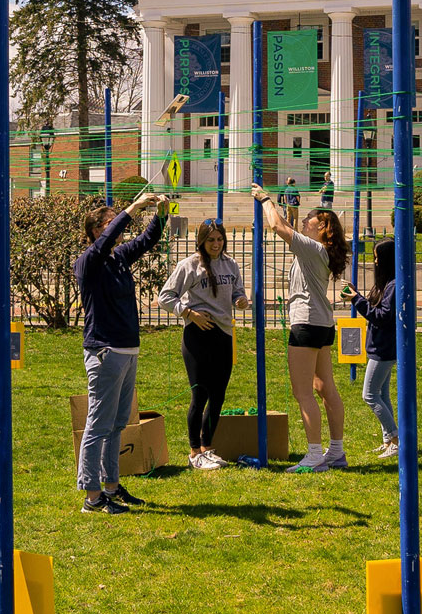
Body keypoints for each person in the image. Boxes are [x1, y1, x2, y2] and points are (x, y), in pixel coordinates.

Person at [73, 190, 166, 513]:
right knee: (98, 425)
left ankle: (111, 486)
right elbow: (112, 236)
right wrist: (134, 207)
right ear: (97, 230)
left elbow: (146, 240)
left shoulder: (118, 257)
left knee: (116, 425)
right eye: (111, 225)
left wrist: (162, 213)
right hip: (105, 351)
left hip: (127, 350)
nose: (119, 230)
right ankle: (92, 497)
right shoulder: (90, 261)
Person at [253, 184, 349, 470]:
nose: (305, 220)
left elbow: (277, 227)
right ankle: (336, 451)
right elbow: (284, 224)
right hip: (322, 323)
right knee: (324, 386)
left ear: (323, 228)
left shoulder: (312, 248)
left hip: (306, 323)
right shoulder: (320, 249)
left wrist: (265, 200)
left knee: (303, 391)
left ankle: (314, 454)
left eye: (311, 219)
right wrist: (274, 205)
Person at [158, 219, 248, 469]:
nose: (216, 244)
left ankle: (208, 448)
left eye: (220, 239)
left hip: (223, 334)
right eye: (211, 240)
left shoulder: (231, 264)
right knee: (200, 395)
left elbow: (238, 291)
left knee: (218, 396)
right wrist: (189, 314)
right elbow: (165, 296)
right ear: (201, 241)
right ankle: (194, 452)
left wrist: (241, 300)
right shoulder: (189, 265)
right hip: (197, 337)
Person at [343, 237, 398, 457]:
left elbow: (382, 317)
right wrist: (358, 296)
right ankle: (389, 441)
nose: (374, 262)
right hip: (380, 346)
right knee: (382, 395)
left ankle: (395, 437)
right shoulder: (386, 284)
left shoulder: (394, 285)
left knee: (369, 395)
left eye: (377, 258)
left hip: (383, 349)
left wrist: (357, 300)